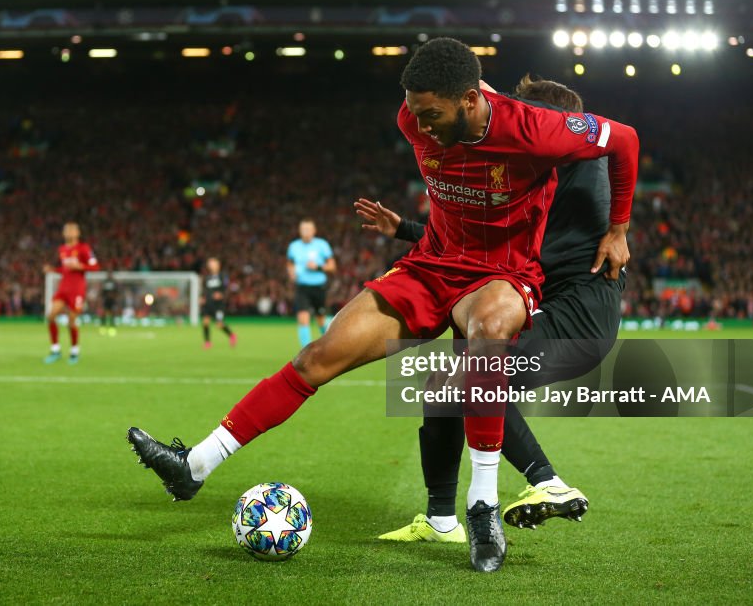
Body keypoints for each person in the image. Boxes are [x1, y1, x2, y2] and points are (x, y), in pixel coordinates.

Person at [128, 38, 638, 572]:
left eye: (433, 114)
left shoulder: (534, 129)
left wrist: (619, 229)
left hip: (503, 274)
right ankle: (195, 465)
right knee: (320, 355)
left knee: (487, 336)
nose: (421, 126)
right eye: (415, 113)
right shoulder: (412, 118)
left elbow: (623, 140)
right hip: (433, 264)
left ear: (468, 100)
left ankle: (482, 506)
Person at [358, 74, 626, 545]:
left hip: (577, 317)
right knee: (444, 386)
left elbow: (487, 248)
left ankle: (548, 483)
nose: (513, 126)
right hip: (562, 309)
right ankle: (440, 521)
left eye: (527, 117)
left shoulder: (571, 164)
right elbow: (477, 247)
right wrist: (406, 230)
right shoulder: (553, 166)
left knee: (469, 382)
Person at [43, 222, 99, 365]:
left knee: (71, 320)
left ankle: (74, 351)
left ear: (77, 233)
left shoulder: (84, 248)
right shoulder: (62, 249)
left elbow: (95, 266)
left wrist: (80, 266)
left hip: (77, 289)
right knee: (51, 315)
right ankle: (55, 349)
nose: (68, 232)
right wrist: (54, 270)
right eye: (66, 230)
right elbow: (65, 269)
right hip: (63, 288)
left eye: (71, 230)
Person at [286, 219, 336, 348]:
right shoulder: (293, 246)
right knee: (303, 318)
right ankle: (306, 353)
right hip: (302, 287)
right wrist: (291, 272)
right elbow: (290, 263)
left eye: (308, 229)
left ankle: (330, 345)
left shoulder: (322, 245)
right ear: (299, 231)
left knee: (321, 321)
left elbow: (332, 267)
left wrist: (318, 267)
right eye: (303, 229)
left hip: (319, 287)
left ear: (314, 231)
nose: (306, 232)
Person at [201, 257, 237, 349]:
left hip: (218, 305)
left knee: (219, 324)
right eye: (210, 264)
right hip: (208, 303)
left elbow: (226, 287)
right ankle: (207, 342)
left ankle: (231, 335)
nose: (211, 265)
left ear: (218, 265)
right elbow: (205, 290)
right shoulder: (207, 277)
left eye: (213, 263)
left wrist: (221, 294)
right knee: (205, 321)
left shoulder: (222, 275)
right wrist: (202, 297)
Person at [100, 271, 119, 338]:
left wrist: (114, 297)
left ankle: (112, 328)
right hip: (106, 301)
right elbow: (102, 292)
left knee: (112, 314)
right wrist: (103, 298)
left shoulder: (114, 282)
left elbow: (117, 291)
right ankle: (103, 328)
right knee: (103, 314)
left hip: (112, 301)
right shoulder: (105, 282)